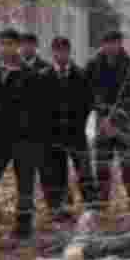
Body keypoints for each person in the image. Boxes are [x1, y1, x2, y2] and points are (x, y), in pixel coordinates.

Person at [0, 27, 53, 245]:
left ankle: (23, 230)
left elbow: (38, 110)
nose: (5, 48)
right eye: (2, 44)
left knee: (25, 186)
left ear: (17, 46)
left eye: (10, 44)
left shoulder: (29, 73)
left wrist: (34, 138)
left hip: (24, 140)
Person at [84, 30, 130, 210]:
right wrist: (102, 115)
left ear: (120, 44)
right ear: (102, 44)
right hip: (102, 122)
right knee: (102, 164)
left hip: (125, 123)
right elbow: (86, 93)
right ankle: (102, 202)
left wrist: (117, 118)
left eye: (114, 43)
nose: (110, 47)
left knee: (129, 165)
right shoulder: (92, 65)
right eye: (107, 43)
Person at [40, 35, 97, 219]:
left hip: (76, 133)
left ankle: (92, 206)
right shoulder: (43, 76)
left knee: (84, 170)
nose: (61, 55)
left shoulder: (81, 74)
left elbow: (88, 102)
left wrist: (78, 122)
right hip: (53, 135)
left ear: (69, 52)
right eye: (57, 51)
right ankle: (62, 208)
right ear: (52, 53)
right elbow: (39, 106)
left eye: (64, 51)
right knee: (57, 172)